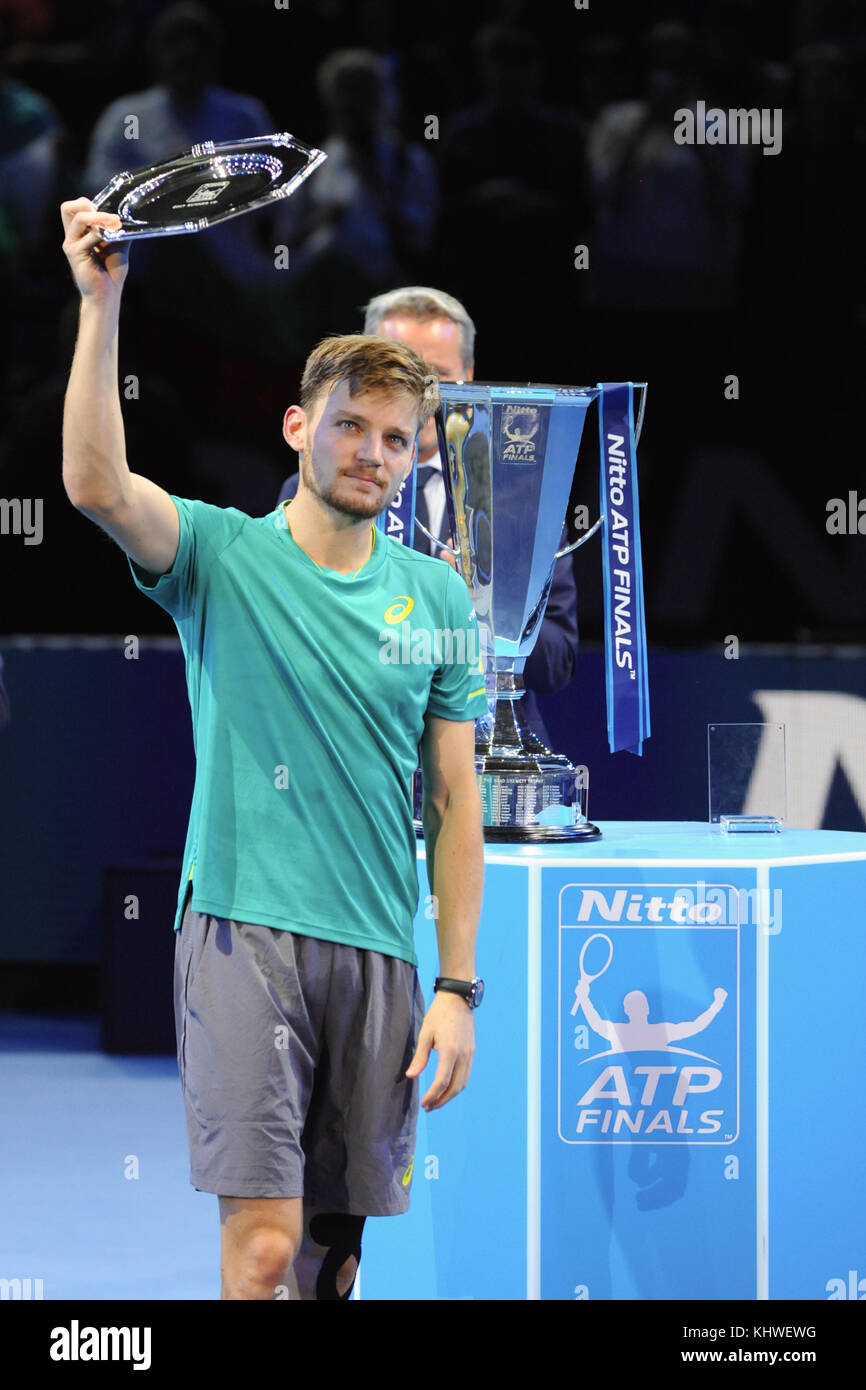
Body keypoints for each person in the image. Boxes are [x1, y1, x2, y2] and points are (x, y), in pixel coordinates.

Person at [60, 196, 487, 1302]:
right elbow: (97, 486)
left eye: (397, 438)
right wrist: (100, 306)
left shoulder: (438, 596)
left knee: (327, 1263)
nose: (373, 453)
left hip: (379, 957)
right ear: (300, 428)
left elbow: (452, 801)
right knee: (258, 1254)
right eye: (351, 425)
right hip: (242, 936)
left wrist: (456, 986)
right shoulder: (218, 554)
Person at [279, 286, 581, 747]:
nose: (415, 393)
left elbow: (558, 660)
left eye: (435, 375)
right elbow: (289, 636)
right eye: (395, 368)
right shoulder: (313, 492)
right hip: (351, 750)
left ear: (471, 377)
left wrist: (485, 611)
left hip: (486, 760)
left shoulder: (524, 506)